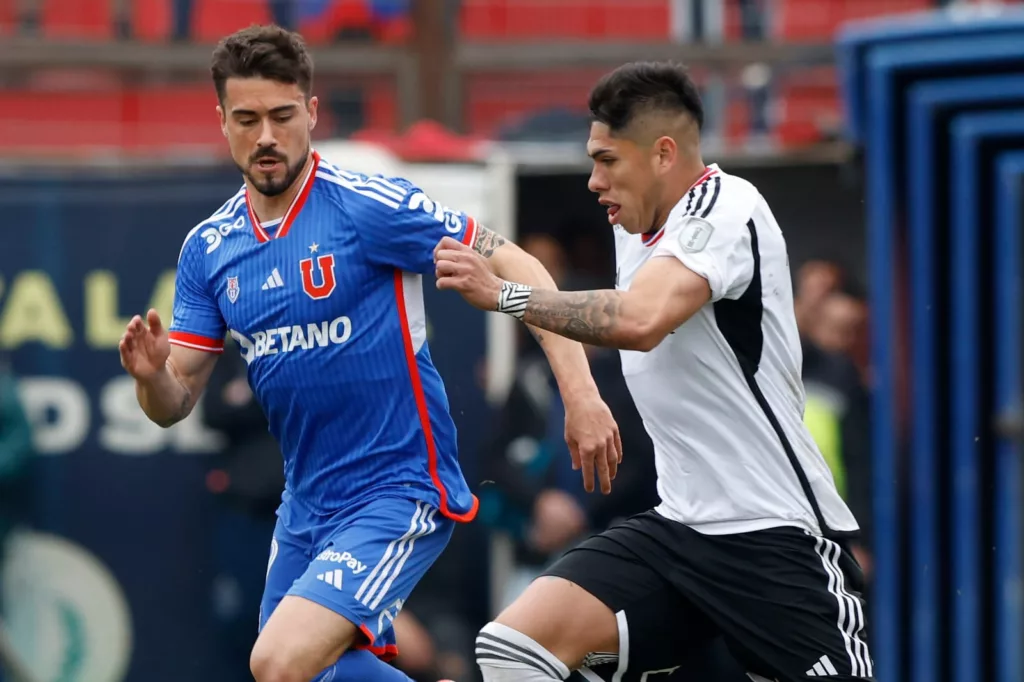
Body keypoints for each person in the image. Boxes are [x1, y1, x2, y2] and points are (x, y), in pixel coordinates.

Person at [117, 24, 621, 682]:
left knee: (278, 661)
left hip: (396, 489)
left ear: (312, 113)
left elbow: (518, 262)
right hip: (305, 505)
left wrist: (581, 396)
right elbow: (172, 404)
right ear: (222, 121)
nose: (265, 136)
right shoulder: (208, 250)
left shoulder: (366, 206)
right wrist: (152, 377)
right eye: (246, 119)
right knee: (314, 675)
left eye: (281, 115)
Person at [434, 61, 874, 682]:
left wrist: (504, 294)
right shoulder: (634, 227)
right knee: (513, 646)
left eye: (607, 160)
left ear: (664, 154)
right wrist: (582, 398)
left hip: (774, 537)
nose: (593, 181)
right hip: (681, 531)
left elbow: (639, 320)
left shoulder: (728, 206)